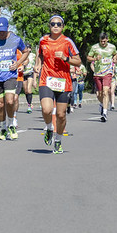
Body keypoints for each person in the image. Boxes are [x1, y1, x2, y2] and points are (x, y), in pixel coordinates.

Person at [34, 15, 81, 154]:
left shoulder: (67, 42)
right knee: (47, 109)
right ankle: (49, 128)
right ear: (49, 26)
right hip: (46, 79)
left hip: (63, 81)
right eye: (53, 24)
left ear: (63, 26)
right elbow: (40, 54)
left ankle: (58, 140)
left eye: (58, 24)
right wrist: (38, 65)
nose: (55, 26)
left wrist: (66, 58)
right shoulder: (43, 40)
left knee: (61, 115)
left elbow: (78, 61)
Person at [0, 17, 30, 141]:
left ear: (8, 28)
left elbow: (25, 52)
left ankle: (11, 124)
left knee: (9, 101)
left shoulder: (16, 39)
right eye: (0, 31)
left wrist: (18, 63)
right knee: (0, 104)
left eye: (4, 30)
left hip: (10, 75)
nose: (2, 33)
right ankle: (3, 128)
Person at [87, 32, 117, 122]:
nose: (102, 43)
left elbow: (115, 54)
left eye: (104, 41)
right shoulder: (94, 47)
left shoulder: (112, 47)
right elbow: (88, 58)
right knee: (99, 94)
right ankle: (101, 104)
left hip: (108, 72)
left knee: (105, 91)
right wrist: (95, 59)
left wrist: (114, 59)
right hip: (97, 73)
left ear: (107, 39)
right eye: (101, 41)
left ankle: (104, 112)